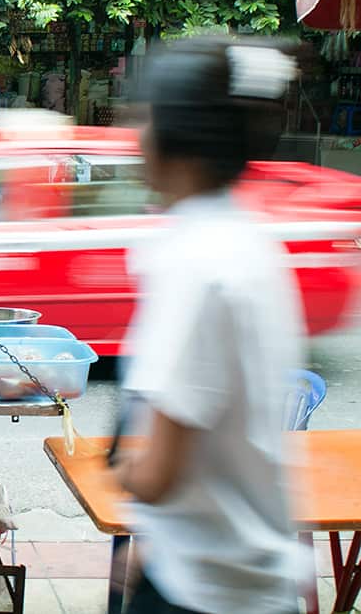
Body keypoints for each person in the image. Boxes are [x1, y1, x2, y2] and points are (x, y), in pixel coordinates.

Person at [112, 36, 307, 614]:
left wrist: (124, 466)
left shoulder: (195, 259)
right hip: (237, 576)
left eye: (143, 119)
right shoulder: (245, 240)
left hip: (212, 596)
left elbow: (157, 473)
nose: (135, 136)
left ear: (177, 136)